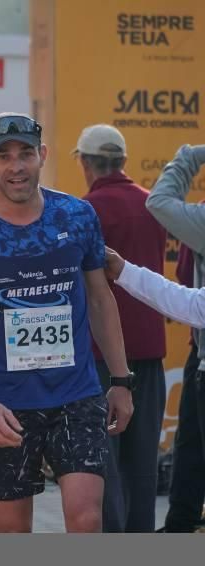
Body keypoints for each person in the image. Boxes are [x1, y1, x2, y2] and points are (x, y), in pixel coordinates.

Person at [0, 112, 134, 533]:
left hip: (76, 394)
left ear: (42, 155)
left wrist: (121, 380)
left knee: (86, 518)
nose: (16, 166)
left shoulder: (76, 215)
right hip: (4, 403)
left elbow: (101, 300)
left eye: (25, 153)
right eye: (3, 156)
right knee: (13, 531)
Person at [73, 124, 168, 532]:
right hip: (150, 350)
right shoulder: (151, 206)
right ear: (124, 162)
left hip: (101, 356)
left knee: (104, 461)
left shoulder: (86, 211)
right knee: (143, 460)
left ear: (84, 162)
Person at [144, 143, 205, 532]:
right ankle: (181, 522)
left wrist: (190, 154)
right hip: (199, 350)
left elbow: (160, 202)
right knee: (189, 443)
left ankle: (181, 522)